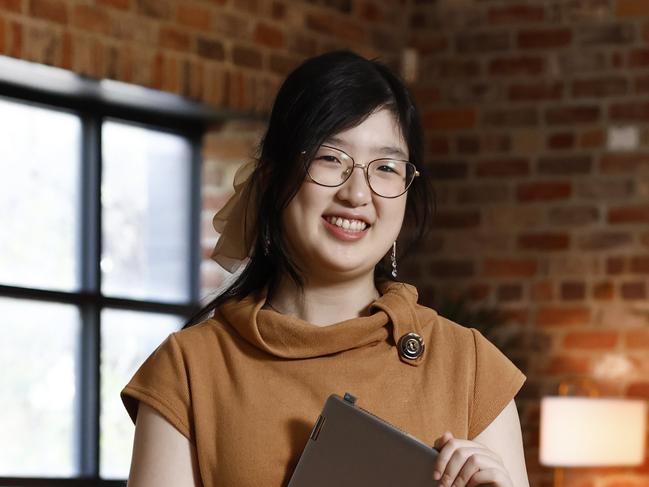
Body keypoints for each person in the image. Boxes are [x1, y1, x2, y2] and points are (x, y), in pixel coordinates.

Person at [121, 50, 530, 487]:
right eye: (330, 158)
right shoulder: (188, 369)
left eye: (386, 167)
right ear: (273, 178)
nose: (357, 193)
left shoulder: (469, 366)